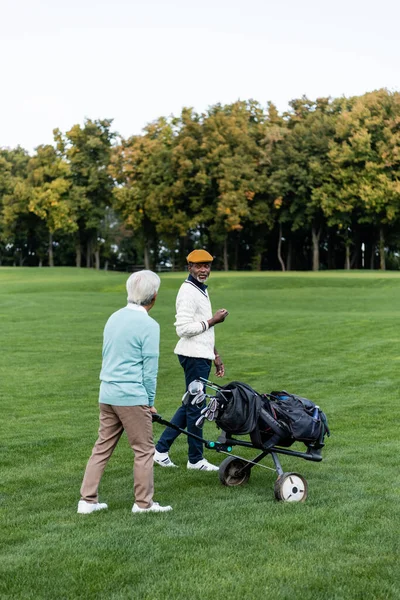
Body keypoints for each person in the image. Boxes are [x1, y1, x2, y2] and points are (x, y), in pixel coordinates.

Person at [77, 270, 172, 514]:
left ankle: (87, 501)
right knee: (144, 450)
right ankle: (144, 504)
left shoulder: (114, 317)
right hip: (131, 397)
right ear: (153, 296)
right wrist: (150, 402)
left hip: (107, 393)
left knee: (102, 447)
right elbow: (149, 371)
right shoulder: (149, 325)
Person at [154, 249, 229, 471]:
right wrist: (213, 320)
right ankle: (195, 460)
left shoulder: (200, 289)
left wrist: (215, 354)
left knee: (190, 404)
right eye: (198, 266)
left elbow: (203, 327)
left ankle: (160, 450)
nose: (203, 269)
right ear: (189, 267)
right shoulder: (188, 292)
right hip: (192, 356)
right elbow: (183, 329)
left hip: (201, 354)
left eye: (207, 265)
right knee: (197, 407)